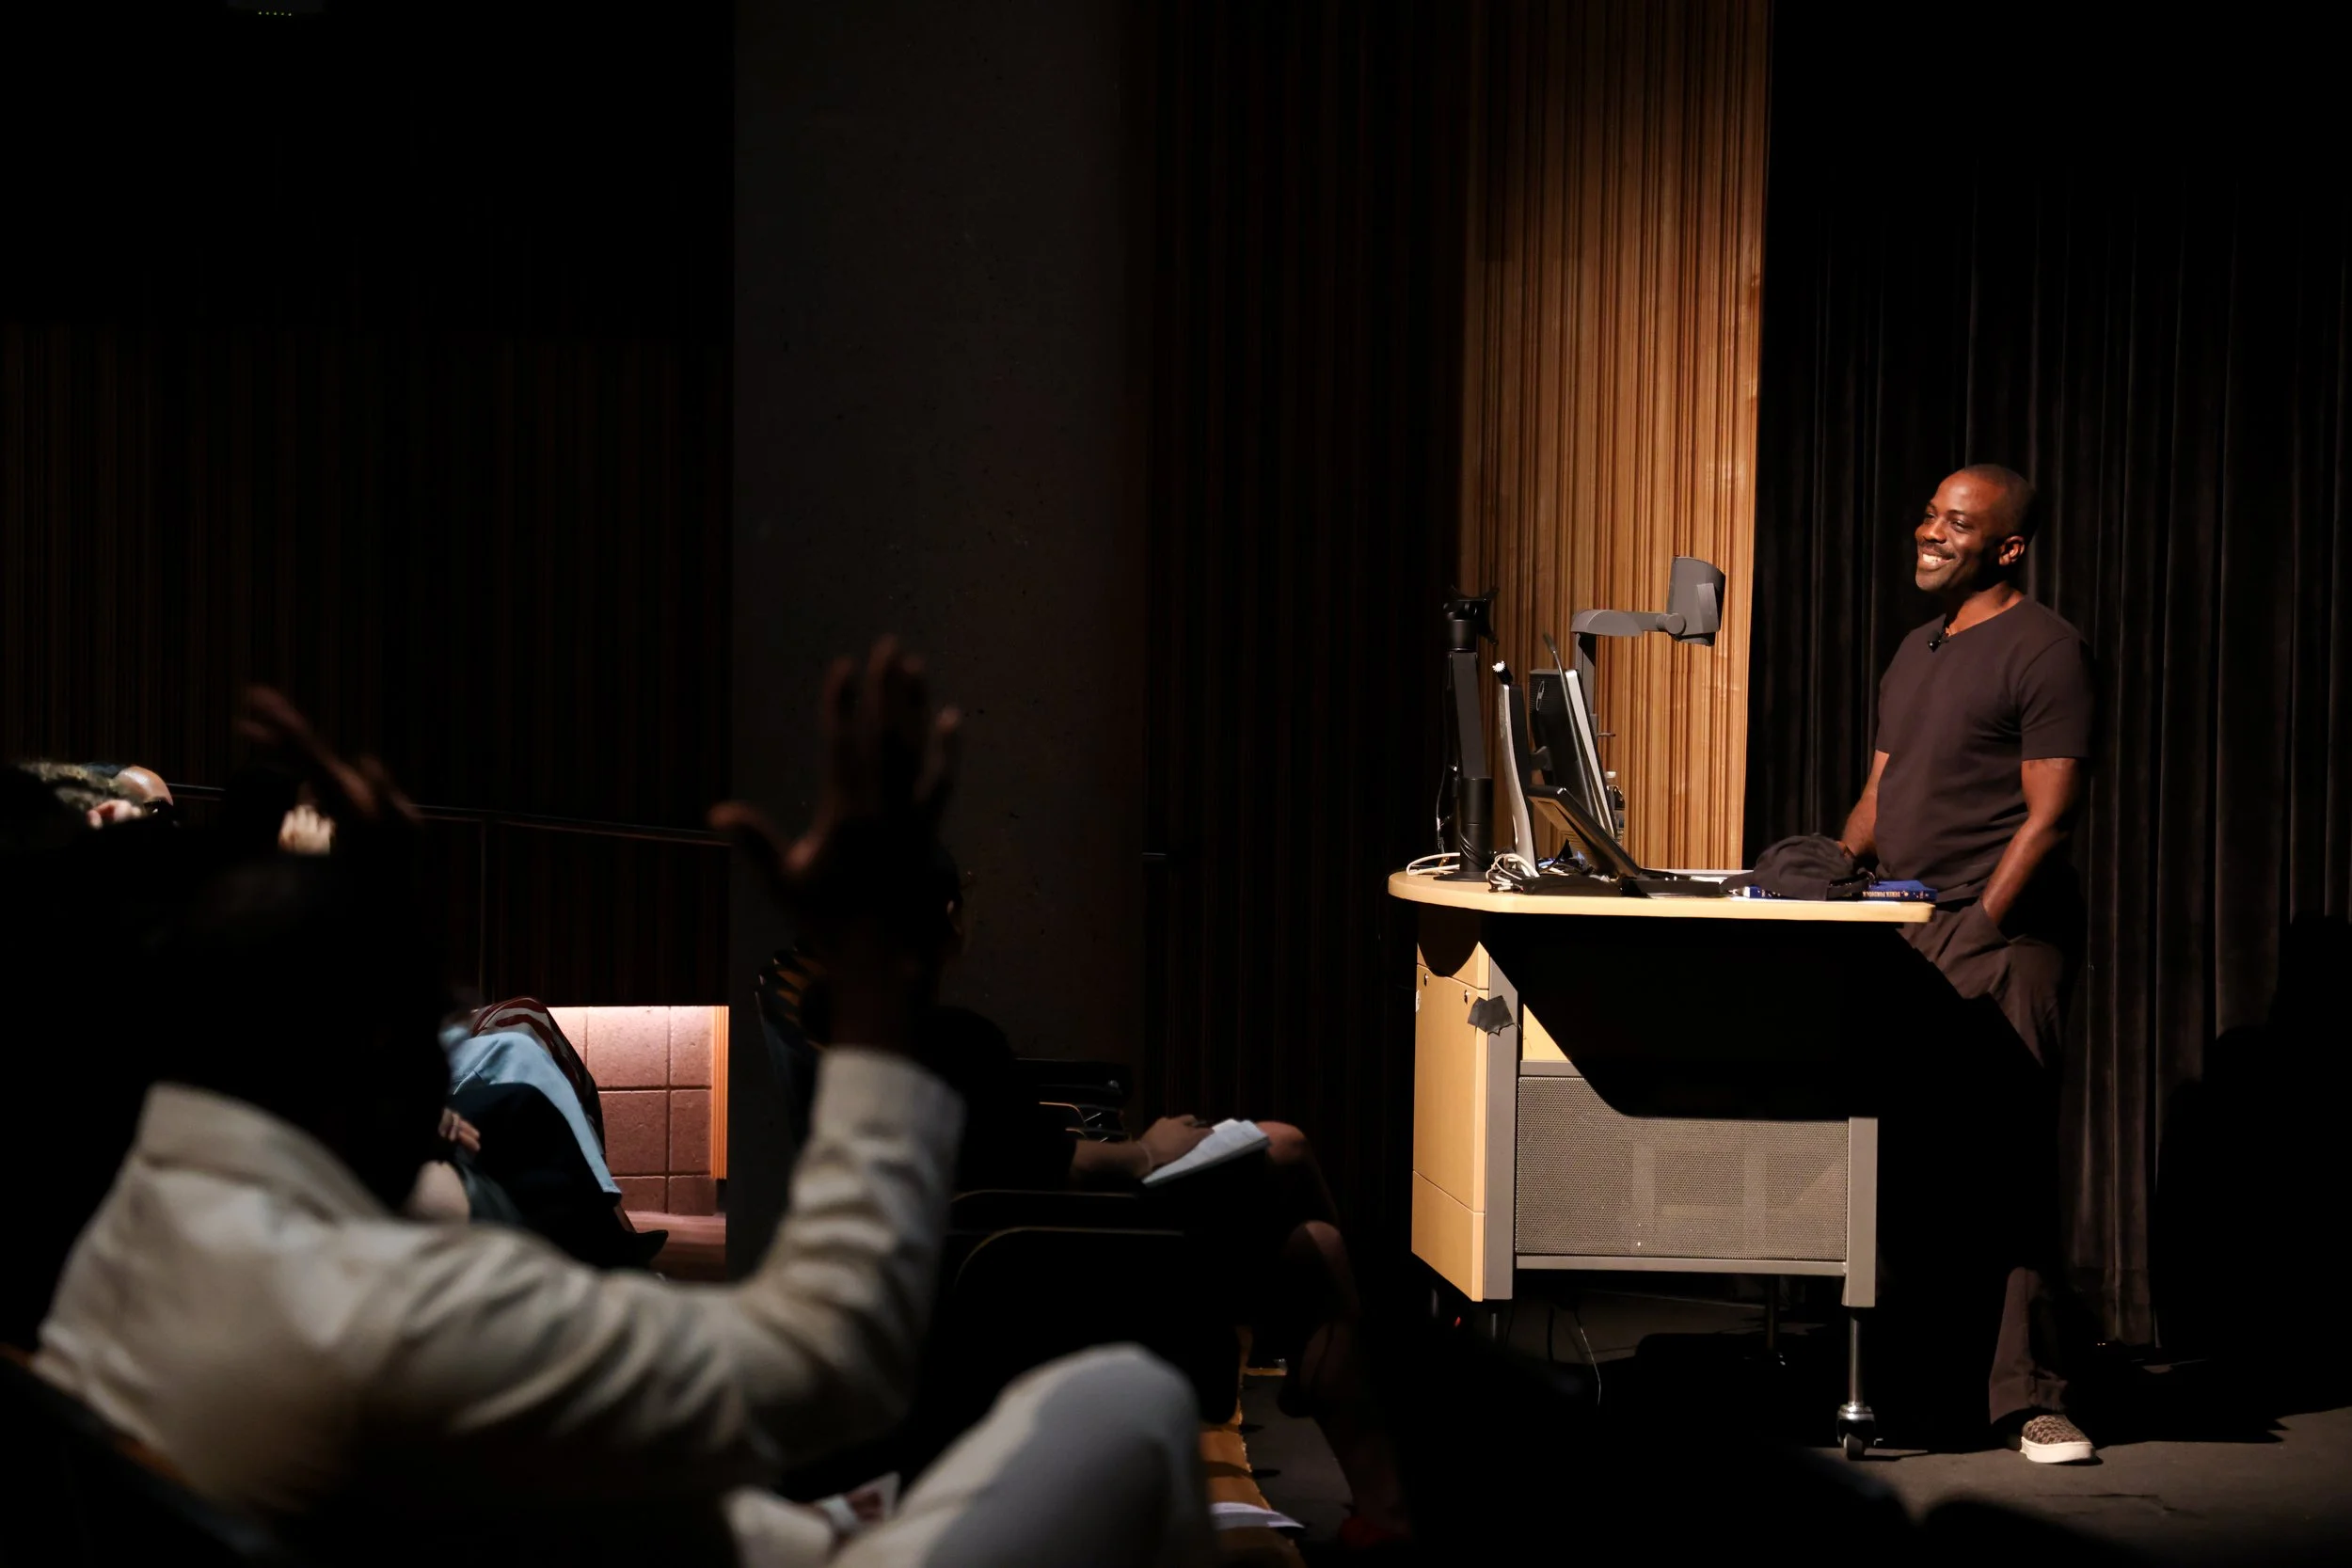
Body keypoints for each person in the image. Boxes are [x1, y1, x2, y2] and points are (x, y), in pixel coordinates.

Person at [36, 653, 1213, 1567]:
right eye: (423, 1014)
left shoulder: (124, 1218)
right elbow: (838, 1360)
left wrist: (368, 909)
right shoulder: (405, 1316)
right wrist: (877, 983)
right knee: (1132, 1399)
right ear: (377, 1059)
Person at [760, 853, 1411, 1544]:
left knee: (1309, 1232)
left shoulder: (869, 1027)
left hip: (998, 1256)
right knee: (1295, 1174)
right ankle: (1369, 1450)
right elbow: (1059, 1169)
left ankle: (1371, 1479)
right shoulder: (950, 1043)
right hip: (1056, 1262)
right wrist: (1152, 1149)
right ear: (950, 920)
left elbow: (1010, 1149)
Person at [1836, 465, 2096, 1464]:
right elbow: (1880, 793)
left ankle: (2031, 1401)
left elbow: (2050, 815)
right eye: (1930, 516)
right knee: (1921, 1169)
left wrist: (1981, 924)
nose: (1930, 532)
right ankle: (1938, 1388)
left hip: (2004, 944)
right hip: (1906, 930)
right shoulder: (1916, 648)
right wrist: (1823, 872)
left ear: (2007, 546)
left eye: (1956, 522)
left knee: (2007, 1166)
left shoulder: (2045, 647)